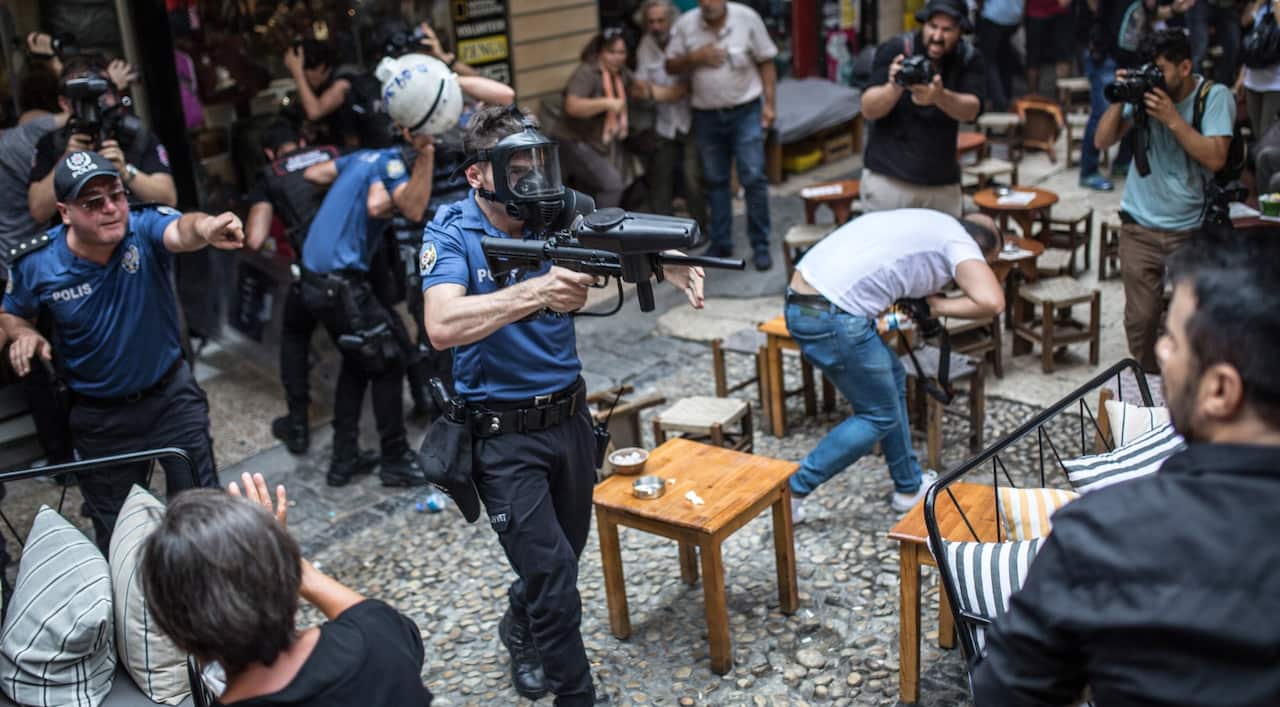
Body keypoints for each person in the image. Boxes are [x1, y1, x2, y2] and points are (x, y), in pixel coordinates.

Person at [420, 105, 705, 706]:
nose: (535, 180)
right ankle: (576, 695)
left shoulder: (559, 207)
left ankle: (518, 624)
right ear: (479, 175)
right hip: (500, 435)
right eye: (517, 169)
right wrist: (537, 291)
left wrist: (667, 260)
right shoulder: (449, 230)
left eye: (538, 164)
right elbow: (441, 324)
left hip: (571, 419)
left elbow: (617, 229)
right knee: (552, 576)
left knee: (560, 562)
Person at [970, 231, 1280, 705]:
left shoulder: (1105, 535)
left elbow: (1007, 695)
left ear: (1221, 391)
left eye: (1173, 342)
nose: (1160, 353)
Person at [0, 151, 238, 550]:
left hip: (170, 398)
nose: (111, 209)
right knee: (119, 536)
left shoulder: (142, 228)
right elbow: (12, 313)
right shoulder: (38, 262)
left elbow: (183, 229)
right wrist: (25, 333)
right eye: (93, 203)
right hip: (101, 417)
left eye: (116, 195)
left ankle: (206, 605)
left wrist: (210, 225)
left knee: (203, 516)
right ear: (65, 213)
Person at [784, 209, 1005, 522]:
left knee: (892, 376)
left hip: (804, 300)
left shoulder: (936, 222)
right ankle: (793, 491)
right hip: (834, 316)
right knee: (877, 415)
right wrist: (937, 306)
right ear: (980, 255)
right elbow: (992, 301)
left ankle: (908, 487)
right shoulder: (960, 245)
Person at [142, 473, 434, 706]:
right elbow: (382, 622)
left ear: (175, 631)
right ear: (288, 577)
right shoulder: (375, 638)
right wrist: (281, 551)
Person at [1094, 28, 1234, 372]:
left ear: (1184, 67)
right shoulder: (1145, 94)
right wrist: (1120, 99)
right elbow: (1102, 141)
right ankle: (1149, 383)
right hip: (1139, 225)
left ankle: (1186, 383)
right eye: (1148, 69)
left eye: (1160, 70)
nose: (1153, 77)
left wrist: (1172, 118)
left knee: (1192, 318)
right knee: (1141, 319)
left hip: (1192, 229)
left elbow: (1216, 157)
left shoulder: (1213, 97)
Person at [297, 144, 431, 487]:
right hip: (340, 284)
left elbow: (314, 173)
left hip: (316, 280)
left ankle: (344, 460)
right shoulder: (390, 165)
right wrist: (399, 197)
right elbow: (394, 206)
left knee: (357, 364)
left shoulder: (364, 157)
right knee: (387, 358)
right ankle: (395, 459)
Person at [243, 120, 339, 454]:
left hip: (307, 276)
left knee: (294, 341)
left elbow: (254, 238)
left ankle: (298, 425)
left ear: (269, 153)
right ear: (302, 140)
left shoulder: (271, 176)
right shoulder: (330, 159)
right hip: (351, 272)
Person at [665, 0, 778, 270]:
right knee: (715, 180)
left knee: (753, 177)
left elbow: (766, 62)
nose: (707, 3)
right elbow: (670, 65)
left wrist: (770, 105)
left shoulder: (747, 18)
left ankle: (761, 244)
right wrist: (695, 57)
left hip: (746, 110)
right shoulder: (685, 24)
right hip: (706, 114)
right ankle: (721, 241)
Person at [860, 0, 985, 217]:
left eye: (947, 30)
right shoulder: (897, 49)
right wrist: (895, 86)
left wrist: (940, 97)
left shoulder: (968, 58)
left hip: (941, 184)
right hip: (890, 181)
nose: (937, 36)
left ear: (961, 31)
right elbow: (868, 109)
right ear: (923, 25)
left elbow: (972, 110)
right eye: (933, 27)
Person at [28, 56, 176, 226]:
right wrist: (67, 160)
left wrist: (126, 171)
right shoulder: (53, 143)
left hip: (135, 233)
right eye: (82, 98)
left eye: (101, 93)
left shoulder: (134, 134)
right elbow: (38, 211)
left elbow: (168, 198)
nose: (96, 103)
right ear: (64, 103)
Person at [557, 29, 683, 209]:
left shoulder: (621, 73)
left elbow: (644, 90)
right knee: (612, 185)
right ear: (600, 52)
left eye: (621, 52)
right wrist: (607, 103)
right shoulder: (587, 72)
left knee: (628, 179)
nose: (618, 57)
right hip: (577, 141)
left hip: (604, 142)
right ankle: (600, 231)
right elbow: (573, 106)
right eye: (611, 52)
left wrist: (680, 91)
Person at [635, 0, 707, 225]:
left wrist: (657, 92)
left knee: (693, 178)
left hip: (691, 119)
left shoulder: (685, 37)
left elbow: (692, 85)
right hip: (664, 122)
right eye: (651, 22)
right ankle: (664, 233)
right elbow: (639, 88)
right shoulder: (646, 44)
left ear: (671, 20)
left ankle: (701, 227)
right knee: (660, 179)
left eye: (660, 21)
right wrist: (666, 93)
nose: (656, 26)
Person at [1238, 0, 1280, 140]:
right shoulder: (1262, 5)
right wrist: (1242, 76)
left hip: (1276, 83)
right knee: (1257, 135)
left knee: (1267, 137)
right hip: (1253, 79)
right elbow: (1245, 24)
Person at [975, 0, 1022, 112]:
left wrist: (979, 7)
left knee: (988, 61)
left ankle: (999, 102)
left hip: (993, 15)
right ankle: (1006, 97)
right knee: (1004, 58)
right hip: (1013, 16)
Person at [1025, 0, 1074, 98]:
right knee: (1033, 57)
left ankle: (1063, 98)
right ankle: (1032, 98)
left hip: (1060, 11)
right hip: (1035, 10)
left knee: (1063, 56)